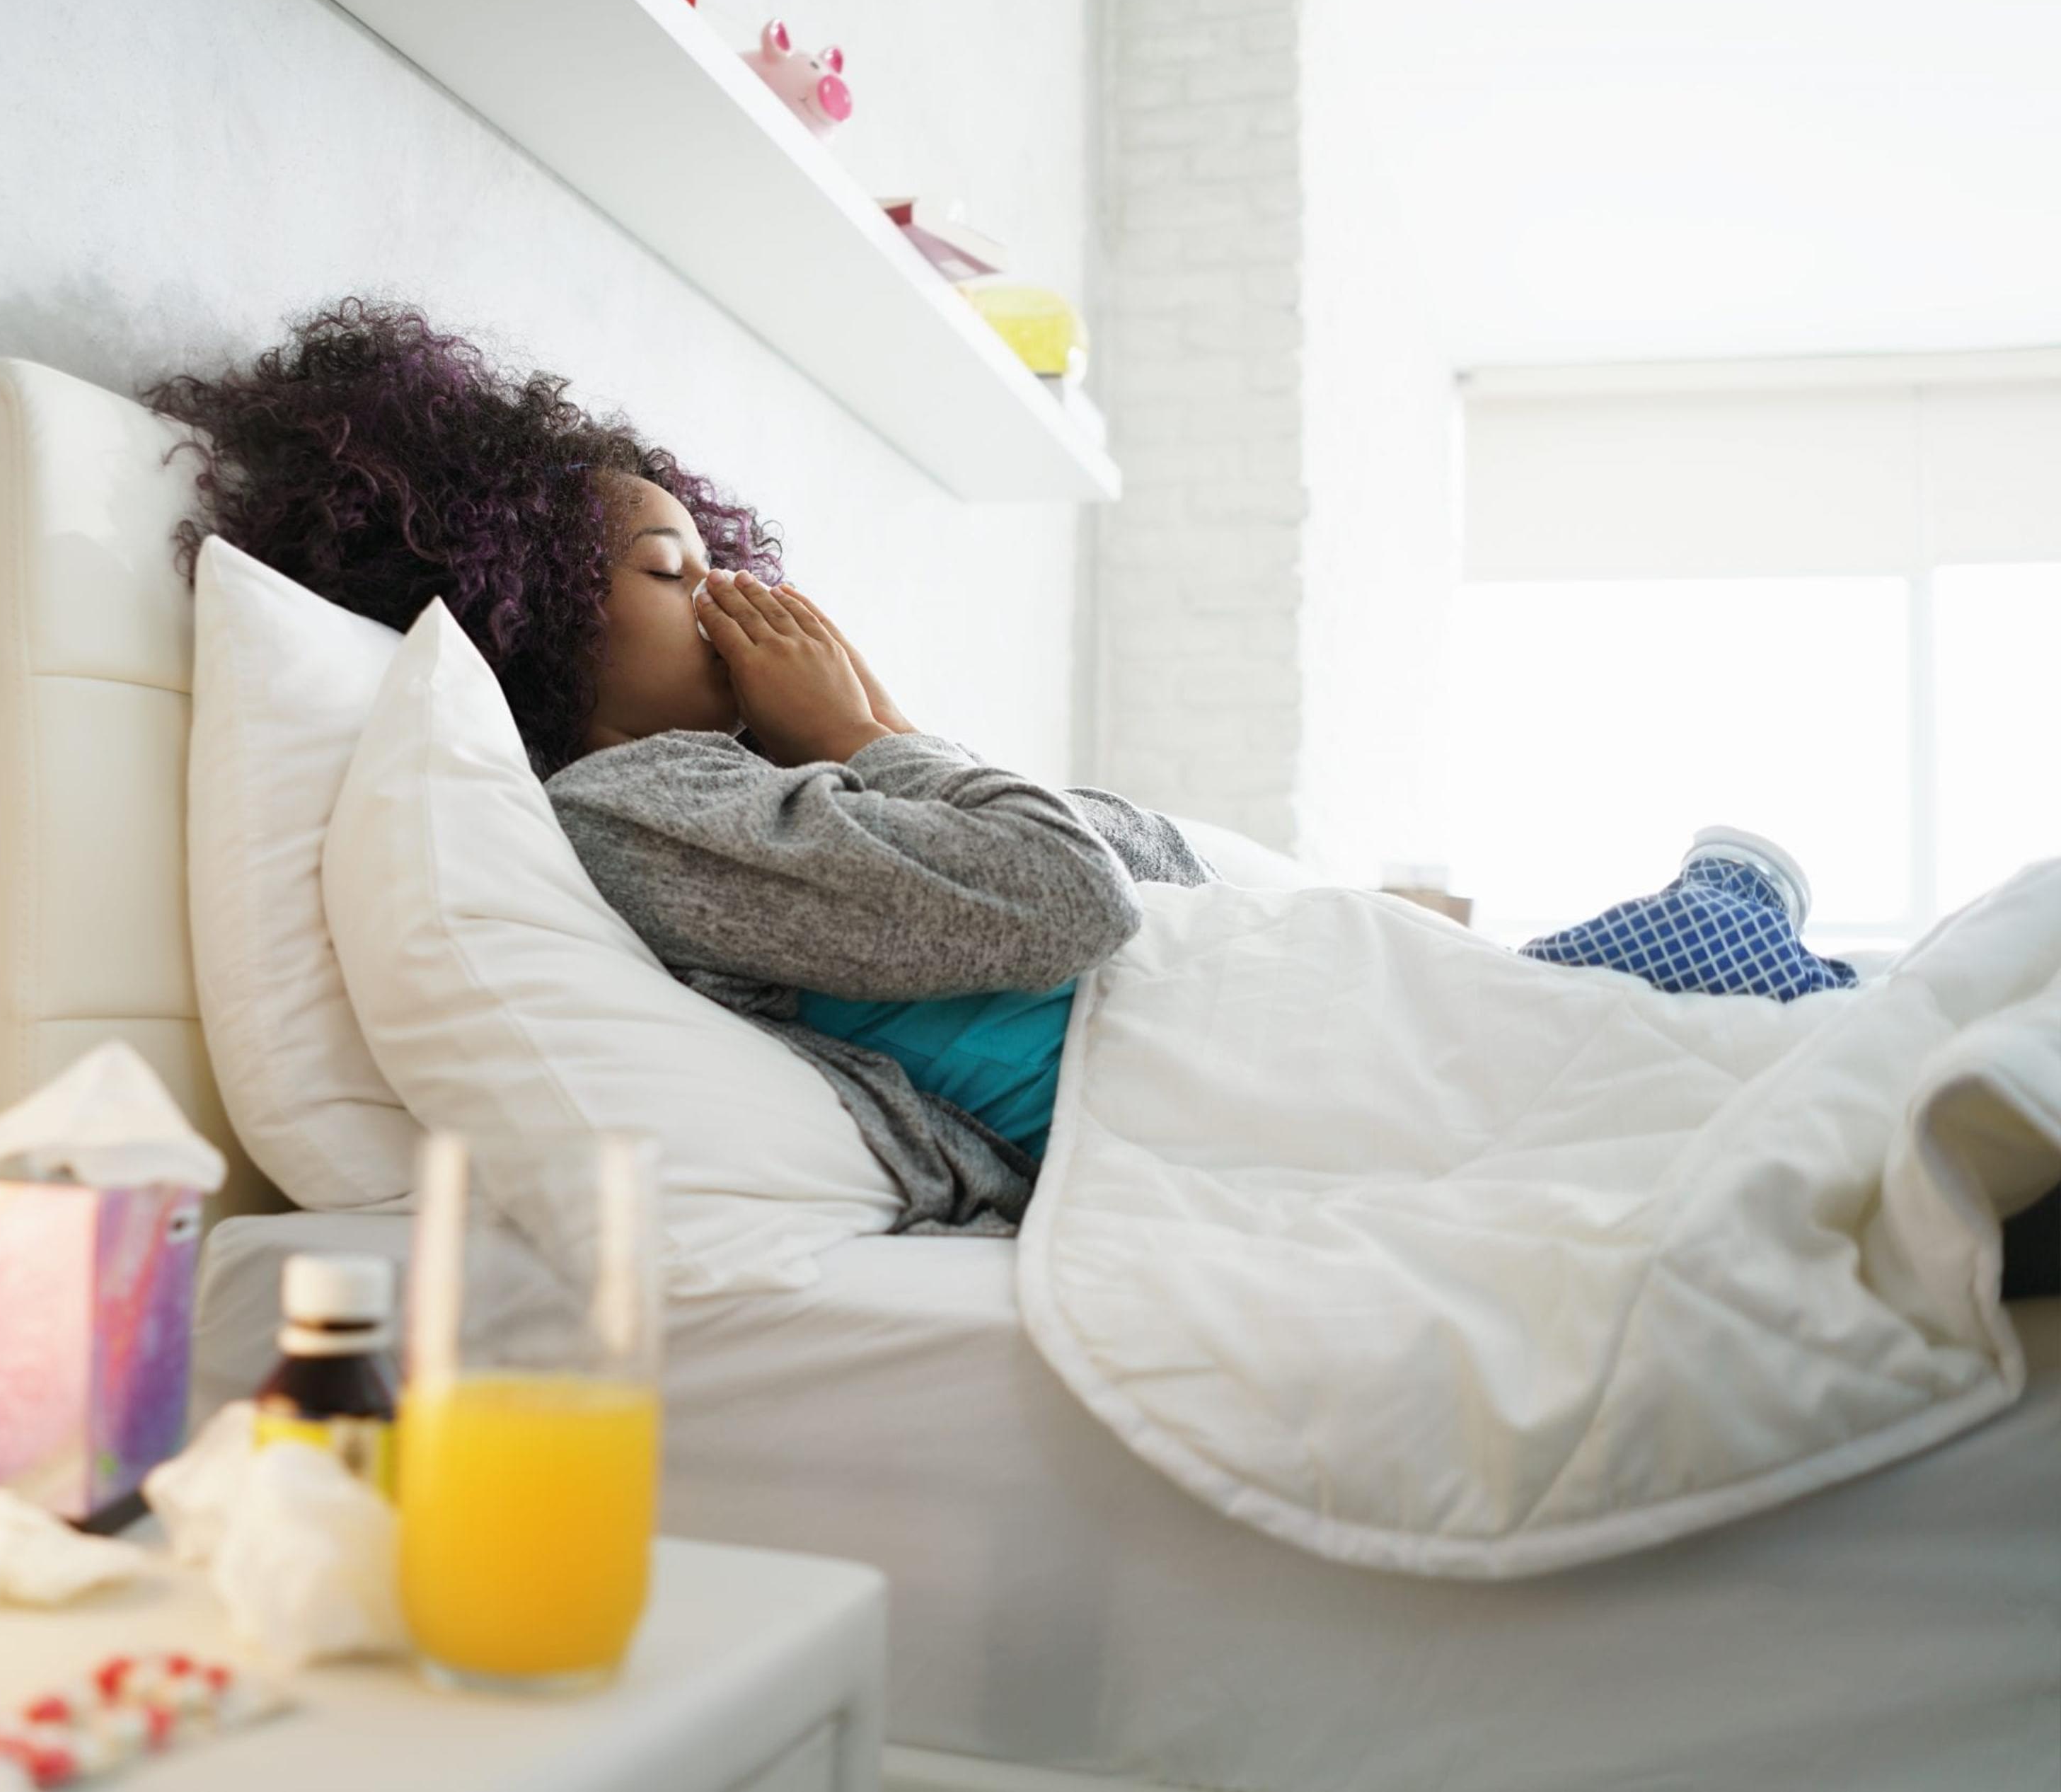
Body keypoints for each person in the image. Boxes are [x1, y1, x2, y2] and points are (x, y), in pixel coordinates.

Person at [146, 301, 2055, 1293]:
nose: (722, 598)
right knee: (1711, 1055)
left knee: (1702, 1035)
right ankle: (1839, 1004)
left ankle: (1814, 974)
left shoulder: (718, 789)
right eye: (665, 572)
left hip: (1245, 1020)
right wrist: (871, 721)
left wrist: (860, 738)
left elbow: (1065, 872)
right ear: (535, 628)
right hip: (1192, 1077)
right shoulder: (632, 810)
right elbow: (1063, 897)